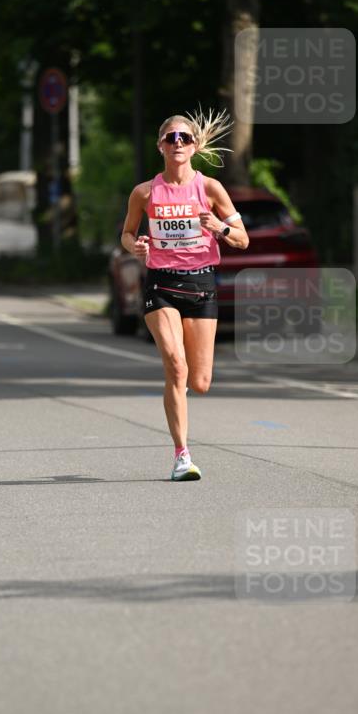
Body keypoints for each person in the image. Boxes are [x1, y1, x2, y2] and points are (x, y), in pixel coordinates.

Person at [120, 110, 249, 481]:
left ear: (194, 146)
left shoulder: (210, 189)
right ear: (160, 145)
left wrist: (219, 227)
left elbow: (242, 240)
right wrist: (136, 246)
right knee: (176, 366)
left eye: (184, 138)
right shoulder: (145, 192)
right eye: (171, 138)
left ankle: (183, 402)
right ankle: (182, 455)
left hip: (203, 287)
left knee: (200, 382)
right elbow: (127, 234)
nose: (177, 143)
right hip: (161, 285)